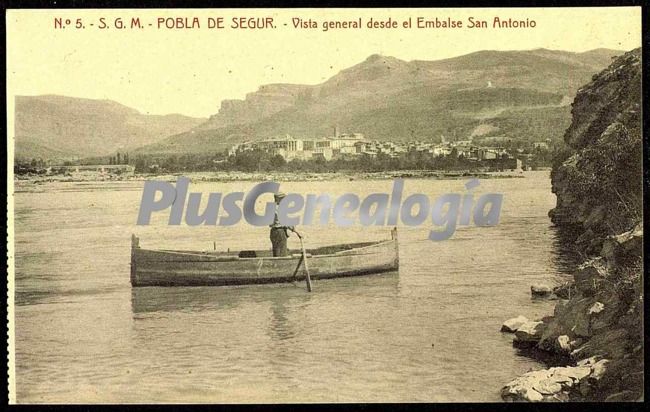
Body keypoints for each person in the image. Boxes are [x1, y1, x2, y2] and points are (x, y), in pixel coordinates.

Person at [270, 192, 294, 257]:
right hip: (280, 232)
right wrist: (294, 230)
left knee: (276, 251)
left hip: (273, 232)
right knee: (282, 252)